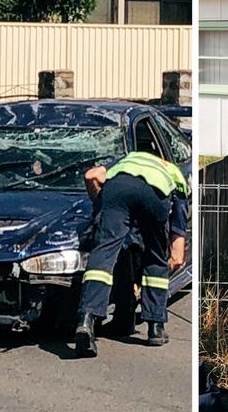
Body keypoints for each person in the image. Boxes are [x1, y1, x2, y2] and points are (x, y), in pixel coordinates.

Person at [74, 151, 189, 358]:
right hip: (155, 194)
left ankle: (86, 320)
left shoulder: (127, 159)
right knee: (155, 257)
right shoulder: (176, 174)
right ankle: (156, 328)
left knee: (103, 255)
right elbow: (178, 242)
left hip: (118, 190)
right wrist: (172, 257)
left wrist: (101, 209)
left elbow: (91, 176)